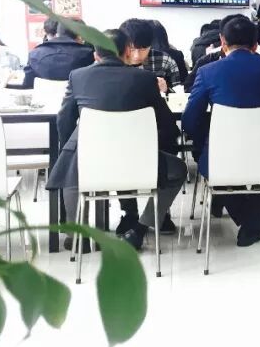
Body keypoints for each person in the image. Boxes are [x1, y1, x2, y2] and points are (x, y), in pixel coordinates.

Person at [48, 28, 185, 251]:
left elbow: (64, 120)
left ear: (96, 54)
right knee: (179, 170)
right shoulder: (145, 79)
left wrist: (72, 149)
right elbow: (167, 124)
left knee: (70, 165)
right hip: (137, 162)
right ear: (127, 51)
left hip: (91, 162)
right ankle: (140, 229)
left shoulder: (78, 76)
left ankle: (79, 235)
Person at [183, 17, 260, 246]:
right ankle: (253, 222)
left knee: (207, 159)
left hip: (222, 156)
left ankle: (250, 221)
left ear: (222, 41)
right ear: (255, 44)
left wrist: (206, 137)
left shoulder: (208, 71)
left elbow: (190, 121)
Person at [22, 18, 94, 87]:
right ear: (80, 36)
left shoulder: (34, 53)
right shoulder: (88, 54)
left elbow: (28, 84)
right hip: (78, 95)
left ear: (58, 33)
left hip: (44, 95)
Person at [120, 19, 182, 92]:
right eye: (131, 49)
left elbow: (179, 92)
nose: (137, 56)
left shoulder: (164, 60)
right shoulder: (114, 61)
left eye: (143, 49)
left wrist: (166, 90)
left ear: (150, 45)